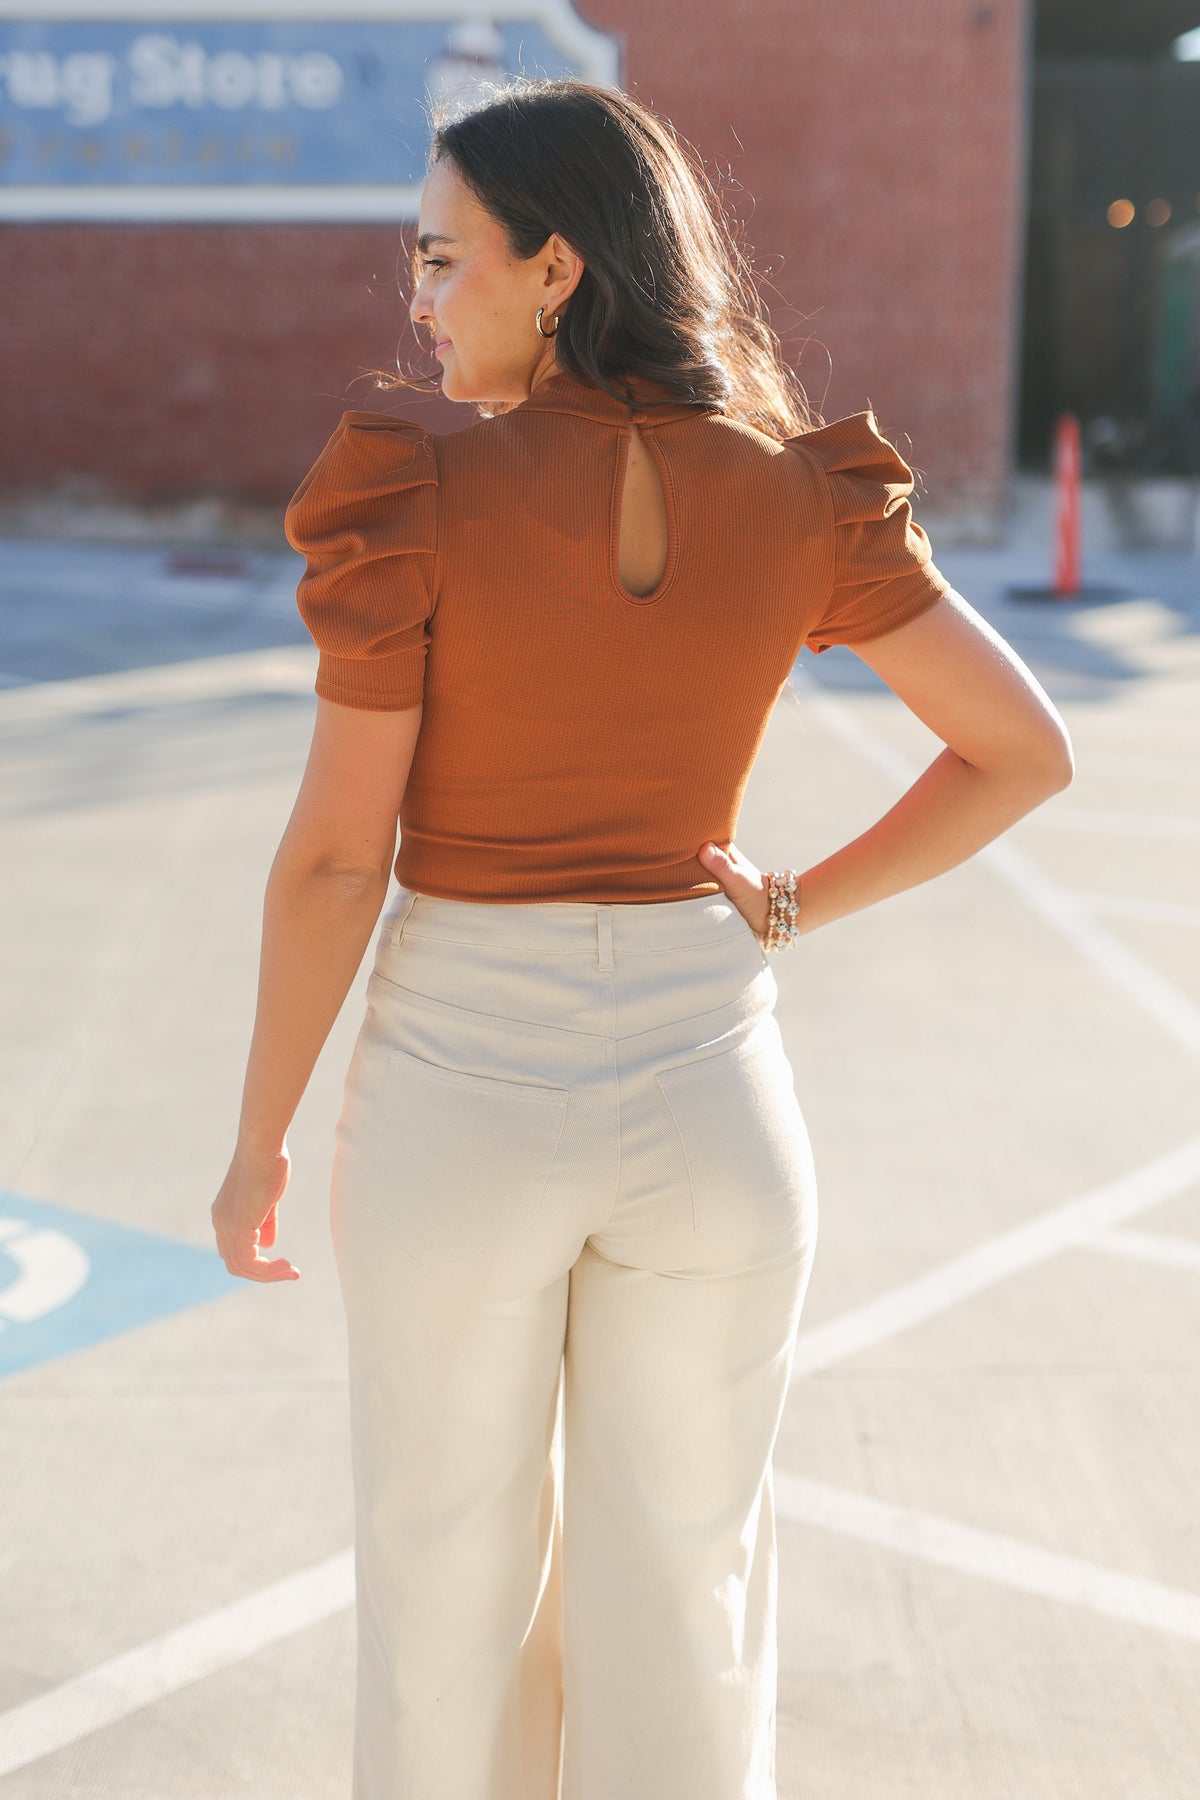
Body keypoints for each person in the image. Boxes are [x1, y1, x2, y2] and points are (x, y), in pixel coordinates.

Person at [210, 77, 1074, 1800]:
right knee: (689, 1592)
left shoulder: (418, 493)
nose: (417, 298)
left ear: (555, 266)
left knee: (443, 1587)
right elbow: (1023, 752)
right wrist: (796, 902)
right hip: (713, 1091)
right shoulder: (803, 489)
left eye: (441, 258)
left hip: (460, 1092)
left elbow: (334, 865)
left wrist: (257, 1143)